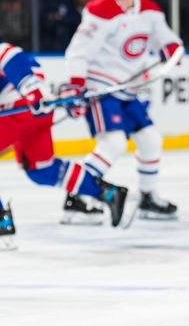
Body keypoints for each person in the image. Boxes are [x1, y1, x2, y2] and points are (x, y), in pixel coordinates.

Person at [63, 0, 184, 223]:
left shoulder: (150, 9)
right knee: (113, 144)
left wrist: (172, 50)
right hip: (102, 89)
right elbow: (78, 52)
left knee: (151, 140)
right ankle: (76, 199)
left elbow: (166, 39)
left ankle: (147, 198)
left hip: (129, 90)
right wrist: (75, 86)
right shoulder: (99, 10)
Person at [0, 41, 136, 248]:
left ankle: (2, 223)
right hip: (33, 109)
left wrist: (32, 88)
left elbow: (7, 53)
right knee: (42, 170)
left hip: (22, 102)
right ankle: (108, 193)